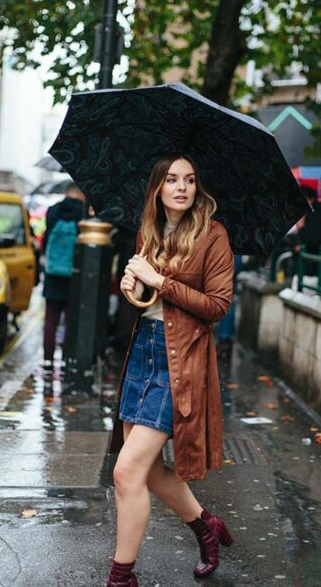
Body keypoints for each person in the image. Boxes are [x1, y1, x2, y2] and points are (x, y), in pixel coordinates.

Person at [106, 155, 234, 586]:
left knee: (125, 473)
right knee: (149, 471)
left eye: (190, 180)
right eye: (172, 179)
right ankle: (205, 526)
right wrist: (133, 287)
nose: (182, 187)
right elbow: (149, 303)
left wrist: (159, 282)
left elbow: (217, 307)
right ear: (158, 187)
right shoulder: (151, 231)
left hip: (180, 360)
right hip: (144, 352)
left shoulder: (213, 236)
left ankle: (121, 577)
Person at [42, 182, 85, 364]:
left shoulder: (52, 211)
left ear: (66, 192)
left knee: (51, 318)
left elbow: (45, 239)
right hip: (74, 274)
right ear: (79, 194)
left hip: (52, 273)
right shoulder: (83, 214)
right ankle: (67, 357)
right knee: (70, 320)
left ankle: (48, 359)